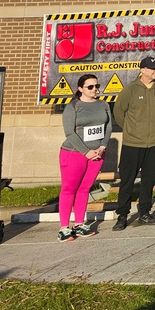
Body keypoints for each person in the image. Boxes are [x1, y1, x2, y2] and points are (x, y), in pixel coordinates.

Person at [113, 56, 155, 230]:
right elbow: (118, 112)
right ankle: (122, 215)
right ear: (142, 70)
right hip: (132, 144)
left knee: (148, 180)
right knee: (127, 180)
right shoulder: (130, 90)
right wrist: (131, 130)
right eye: (153, 68)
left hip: (154, 143)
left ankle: (144, 212)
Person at [57, 74, 112, 241]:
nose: (95, 89)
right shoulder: (73, 106)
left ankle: (79, 224)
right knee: (69, 189)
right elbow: (69, 132)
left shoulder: (103, 105)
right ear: (80, 89)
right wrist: (86, 151)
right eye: (90, 87)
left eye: (96, 86)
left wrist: (101, 147)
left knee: (84, 189)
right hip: (74, 153)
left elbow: (108, 127)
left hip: (97, 154)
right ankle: (64, 228)